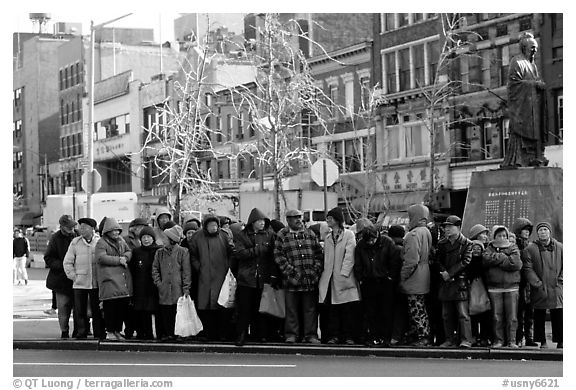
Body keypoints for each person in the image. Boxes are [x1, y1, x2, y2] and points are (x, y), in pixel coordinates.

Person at [274, 209, 324, 344]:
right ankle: (291, 334)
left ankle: (310, 335)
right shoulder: (282, 235)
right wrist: (291, 273)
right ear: (288, 220)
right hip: (291, 280)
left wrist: (315, 271)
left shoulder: (310, 233)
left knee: (310, 310)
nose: (298, 220)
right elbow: (279, 256)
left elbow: (319, 254)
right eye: (295, 218)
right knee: (291, 309)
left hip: (309, 279)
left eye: (299, 217)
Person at [232, 208, 279, 346]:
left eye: (264, 221)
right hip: (246, 277)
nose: (262, 224)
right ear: (252, 222)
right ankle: (241, 334)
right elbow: (240, 254)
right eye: (259, 221)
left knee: (261, 308)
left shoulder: (270, 235)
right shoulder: (242, 235)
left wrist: (273, 275)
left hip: (263, 277)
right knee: (244, 309)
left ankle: (261, 334)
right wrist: (258, 249)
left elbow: (273, 256)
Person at [502, 32, 548, 168]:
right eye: (532, 47)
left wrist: (539, 87)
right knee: (521, 134)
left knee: (536, 131)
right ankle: (519, 158)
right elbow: (513, 85)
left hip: (533, 107)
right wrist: (534, 85)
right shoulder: (517, 62)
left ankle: (535, 156)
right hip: (523, 110)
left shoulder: (532, 65)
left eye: (536, 48)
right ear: (524, 48)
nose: (535, 50)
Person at [189, 215, 235, 341]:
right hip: (205, 276)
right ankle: (209, 333)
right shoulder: (197, 237)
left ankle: (222, 334)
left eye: (215, 225)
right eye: (210, 225)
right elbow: (193, 254)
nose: (213, 228)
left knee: (222, 305)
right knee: (206, 307)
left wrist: (228, 267)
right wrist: (199, 267)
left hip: (222, 276)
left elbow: (231, 252)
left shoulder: (224, 236)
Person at [318, 207, 360, 345]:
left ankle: (348, 336)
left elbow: (350, 256)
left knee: (347, 309)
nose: (327, 220)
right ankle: (334, 336)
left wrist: (344, 273)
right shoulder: (328, 237)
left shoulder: (348, 235)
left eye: (330, 218)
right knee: (333, 309)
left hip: (344, 278)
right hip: (330, 278)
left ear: (337, 219)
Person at [354, 225, 401, 346]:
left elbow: (394, 261)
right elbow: (358, 263)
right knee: (371, 312)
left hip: (385, 281)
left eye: (372, 239)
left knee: (386, 311)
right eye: (368, 240)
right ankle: (374, 336)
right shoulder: (361, 245)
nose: (370, 242)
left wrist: (391, 276)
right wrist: (361, 277)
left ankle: (385, 337)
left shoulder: (387, 242)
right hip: (369, 281)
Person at [522, 222, 562, 349]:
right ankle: (541, 340)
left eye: (545, 230)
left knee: (558, 314)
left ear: (549, 232)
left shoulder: (560, 247)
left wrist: (561, 280)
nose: (543, 232)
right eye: (540, 230)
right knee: (539, 314)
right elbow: (528, 268)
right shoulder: (530, 249)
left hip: (556, 286)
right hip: (539, 286)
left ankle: (561, 340)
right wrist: (537, 283)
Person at [435, 215, 474, 348]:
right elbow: (437, 260)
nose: (447, 229)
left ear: (458, 227)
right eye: (445, 227)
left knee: (463, 314)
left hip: (460, 281)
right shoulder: (441, 244)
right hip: (445, 282)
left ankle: (466, 340)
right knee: (446, 314)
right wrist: (444, 273)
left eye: (450, 227)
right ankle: (449, 339)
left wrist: (450, 273)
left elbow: (466, 261)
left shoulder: (467, 243)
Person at [63, 217, 104, 340]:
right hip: (79, 282)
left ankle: (99, 333)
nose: (81, 229)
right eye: (80, 227)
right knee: (79, 310)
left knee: (97, 310)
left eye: (85, 227)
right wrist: (73, 276)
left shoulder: (99, 241)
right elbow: (67, 262)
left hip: (96, 282)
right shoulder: (75, 242)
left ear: (92, 229)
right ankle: (81, 332)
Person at [482, 225, 522, 348]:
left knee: (512, 316)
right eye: (499, 235)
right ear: (494, 236)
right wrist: (504, 257)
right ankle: (498, 340)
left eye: (504, 235)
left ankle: (512, 340)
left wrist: (498, 260)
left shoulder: (513, 246)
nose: (502, 237)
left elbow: (515, 263)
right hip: (494, 287)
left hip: (512, 286)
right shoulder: (489, 248)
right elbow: (486, 260)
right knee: (496, 316)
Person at [399, 204, 432, 347]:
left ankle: (422, 336)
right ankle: (422, 335)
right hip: (425, 273)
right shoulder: (426, 231)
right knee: (421, 306)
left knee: (416, 308)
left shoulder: (413, 235)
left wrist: (402, 276)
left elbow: (411, 260)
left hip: (414, 277)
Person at [95, 217, 133, 341]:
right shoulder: (101, 242)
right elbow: (101, 258)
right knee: (110, 308)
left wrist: (125, 258)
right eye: (113, 231)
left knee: (120, 307)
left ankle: (117, 331)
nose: (116, 233)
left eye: (117, 230)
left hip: (121, 281)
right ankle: (110, 331)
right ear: (107, 231)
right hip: (109, 280)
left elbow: (128, 251)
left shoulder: (121, 240)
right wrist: (119, 260)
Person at [152, 225, 192, 341]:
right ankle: (168, 333)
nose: (163, 240)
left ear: (172, 240)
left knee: (178, 311)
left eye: (165, 238)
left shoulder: (183, 252)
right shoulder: (159, 253)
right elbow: (155, 269)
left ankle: (178, 333)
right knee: (166, 312)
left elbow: (186, 272)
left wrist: (186, 288)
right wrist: (159, 283)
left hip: (178, 288)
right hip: (164, 289)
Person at [44, 215, 79, 339]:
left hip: (77, 278)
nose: (72, 228)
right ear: (62, 226)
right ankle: (64, 331)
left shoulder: (78, 235)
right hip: (61, 280)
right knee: (63, 308)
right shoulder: (55, 238)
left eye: (73, 226)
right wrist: (63, 266)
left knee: (79, 308)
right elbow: (48, 258)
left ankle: (78, 331)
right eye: (69, 226)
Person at [130, 226, 162, 340]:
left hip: (155, 286)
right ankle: (144, 334)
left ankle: (160, 334)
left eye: (148, 237)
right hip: (140, 285)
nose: (146, 240)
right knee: (142, 311)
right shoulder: (136, 251)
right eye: (143, 237)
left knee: (157, 310)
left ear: (153, 238)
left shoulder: (159, 250)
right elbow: (132, 269)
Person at [512, 217, 537, 347]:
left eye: (528, 230)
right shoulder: (514, 244)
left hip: (529, 283)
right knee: (519, 313)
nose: (527, 232)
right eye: (524, 230)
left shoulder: (531, 245)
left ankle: (529, 337)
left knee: (529, 313)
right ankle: (518, 337)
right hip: (519, 282)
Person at [467, 239, 491, 347]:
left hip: (484, 290)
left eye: (478, 249)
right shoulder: (468, 262)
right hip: (472, 290)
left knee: (485, 316)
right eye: (474, 249)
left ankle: (484, 337)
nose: (476, 251)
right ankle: (475, 337)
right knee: (473, 317)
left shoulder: (485, 262)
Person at [387, 225, 408, 346]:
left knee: (395, 311)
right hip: (406, 283)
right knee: (402, 311)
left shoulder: (392, 248)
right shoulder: (405, 247)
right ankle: (400, 335)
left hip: (394, 285)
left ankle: (394, 336)